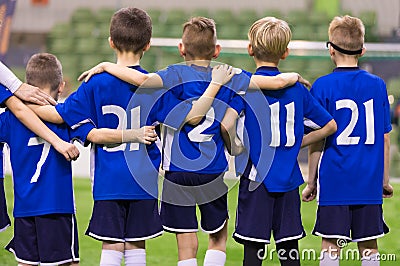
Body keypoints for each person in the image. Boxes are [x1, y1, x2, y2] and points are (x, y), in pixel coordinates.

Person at [77, 15, 312, 266]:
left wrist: (106, 66)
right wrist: (293, 77)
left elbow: (142, 80)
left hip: (177, 171)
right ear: (217, 50)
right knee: (217, 237)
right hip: (211, 170)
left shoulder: (172, 76)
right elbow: (274, 82)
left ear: (181, 49)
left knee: (186, 241)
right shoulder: (229, 76)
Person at [30, 9, 238, 266]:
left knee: (111, 244)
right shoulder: (157, 86)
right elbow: (188, 117)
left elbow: (57, 115)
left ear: (111, 42)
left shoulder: (94, 83)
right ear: (148, 45)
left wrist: (17, 100)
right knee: (138, 244)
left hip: (108, 179)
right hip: (144, 179)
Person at [220, 17, 337, 266]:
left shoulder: (246, 87)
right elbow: (330, 126)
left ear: (250, 49)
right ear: (285, 53)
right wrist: (298, 142)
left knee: (253, 253)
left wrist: (236, 148)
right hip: (288, 179)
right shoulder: (297, 89)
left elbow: (225, 125)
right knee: (289, 252)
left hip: (255, 179)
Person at [302, 15, 393, 266]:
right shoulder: (378, 85)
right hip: (368, 181)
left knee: (331, 246)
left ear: (331, 49)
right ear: (362, 50)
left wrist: (311, 182)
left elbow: (317, 141)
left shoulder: (322, 86)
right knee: (369, 247)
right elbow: (384, 138)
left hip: (334, 181)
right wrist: (384, 181)